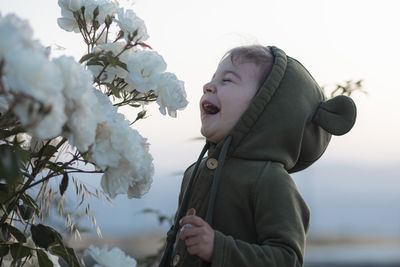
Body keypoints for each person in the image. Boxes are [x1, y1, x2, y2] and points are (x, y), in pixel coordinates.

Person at [159, 45, 357, 267]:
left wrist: (218, 248)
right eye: (213, 78)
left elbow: (286, 259)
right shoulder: (194, 172)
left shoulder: (270, 180)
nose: (208, 86)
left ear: (262, 108)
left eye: (227, 80)